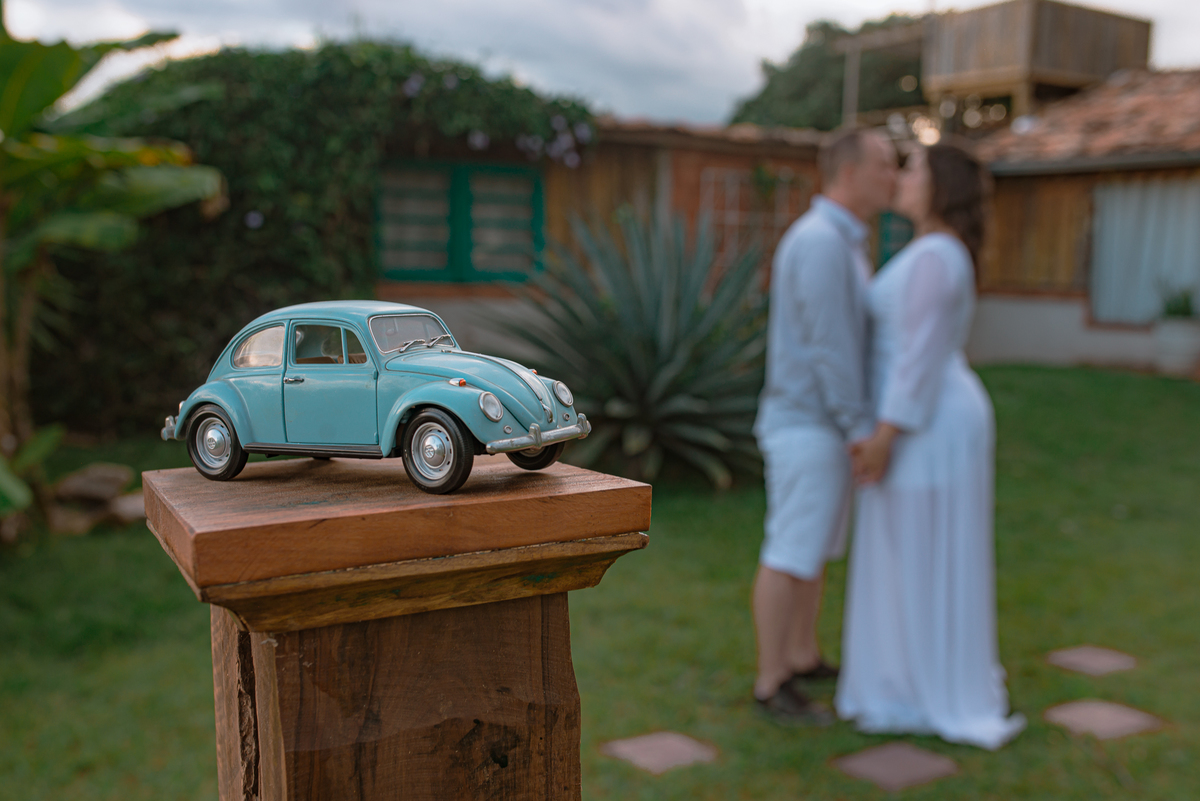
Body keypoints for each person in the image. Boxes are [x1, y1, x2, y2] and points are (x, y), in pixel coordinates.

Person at [835, 140, 1026, 749]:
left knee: (919, 546)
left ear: (939, 185)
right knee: (906, 547)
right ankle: (905, 675)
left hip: (929, 424)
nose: (903, 178)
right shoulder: (933, 251)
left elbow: (917, 360)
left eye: (914, 169)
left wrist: (884, 436)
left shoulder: (938, 256)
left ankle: (919, 683)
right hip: (923, 416)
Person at [751, 128, 897, 723]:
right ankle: (770, 681)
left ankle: (803, 656)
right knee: (790, 550)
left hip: (823, 426)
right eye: (886, 165)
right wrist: (860, 428)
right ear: (849, 172)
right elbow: (829, 348)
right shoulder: (821, 243)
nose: (894, 176)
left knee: (813, 553)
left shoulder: (843, 241)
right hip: (808, 424)